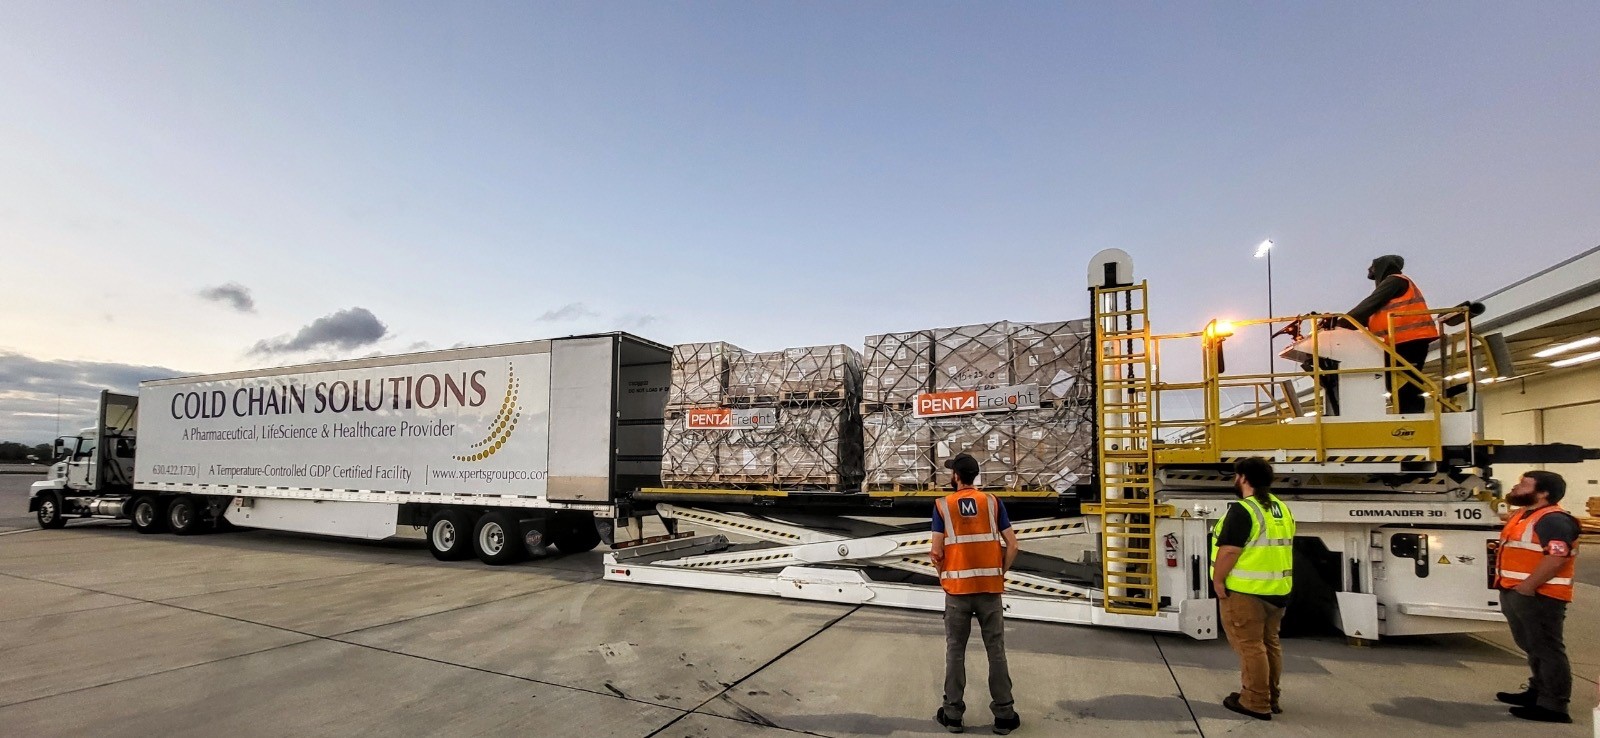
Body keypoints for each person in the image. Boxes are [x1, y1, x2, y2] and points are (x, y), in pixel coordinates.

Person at [931, 452, 1021, 735]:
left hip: (957, 592)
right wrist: (999, 573)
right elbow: (1013, 545)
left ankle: (953, 715)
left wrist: (945, 576)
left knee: (955, 651)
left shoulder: (943, 506)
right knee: (996, 651)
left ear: (956, 476)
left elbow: (936, 553)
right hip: (989, 591)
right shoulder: (993, 503)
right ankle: (1004, 715)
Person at [1211, 457, 1295, 721]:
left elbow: (1230, 550)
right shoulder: (1280, 508)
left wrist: (1218, 580)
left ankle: (1256, 702)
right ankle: (1271, 696)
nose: (1235, 480)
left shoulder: (1243, 510)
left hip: (1247, 593)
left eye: (1236, 476)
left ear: (1244, 478)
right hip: (1277, 591)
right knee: (1269, 644)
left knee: (1250, 647)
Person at [1494, 471, 1579, 724]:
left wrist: (1528, 586)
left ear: (1543, 493)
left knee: (1547, 649)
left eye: (1524, 484)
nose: (1516, 486)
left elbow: (1557, 557)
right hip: (1517, 591)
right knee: (1532, 646)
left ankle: (1554, 706)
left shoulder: (1553, 520)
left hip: (1540, 595)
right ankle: (1538, 691)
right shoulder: (1523, 515)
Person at [1345, 255, 1439, 414]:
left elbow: (1368, 305)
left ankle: (1412, 421)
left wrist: (1340, 322)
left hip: (1409, 341)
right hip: (1398, 343)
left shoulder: (1395, 281)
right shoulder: (1393, 287)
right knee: (1396, 384)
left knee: (1406, 385)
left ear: (1383, 266)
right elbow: (1368, 316)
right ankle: (1407, 417)